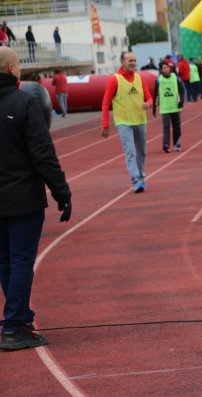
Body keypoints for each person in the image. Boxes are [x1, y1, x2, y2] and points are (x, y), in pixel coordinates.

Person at [0, 47, 72, 350]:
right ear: (13, 68)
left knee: (5, 260)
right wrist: (62, 192)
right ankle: (14, 325)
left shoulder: (23, 102)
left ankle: (21, 316)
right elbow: (43, 155)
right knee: (21, 260)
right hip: (23, 198)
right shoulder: (25, 103)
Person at [101, 51, 153, 193]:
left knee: (142, 151)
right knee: (130, 151)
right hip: (124, 122)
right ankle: (136, 181)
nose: (133, 63)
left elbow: (149, 98)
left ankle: (141, 176)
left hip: (140, 120)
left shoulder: (139, 78)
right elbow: (105, 103)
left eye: (134, 60)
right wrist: (105, 125)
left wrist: (148, 104)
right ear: (123, 62)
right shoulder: (114, 80)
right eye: (130, 60)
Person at [153, 62, 184, 153]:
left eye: (167, 67)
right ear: (161, 70)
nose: (166, 69)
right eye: (164, 68)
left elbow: (182, 90)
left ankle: (177, 144)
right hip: (165, 107)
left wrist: (181, 101)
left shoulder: (175, 77)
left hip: (175, 106)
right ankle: (166, 145)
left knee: (176, 126)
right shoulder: (159, 80)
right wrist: (154, 108)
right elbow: (155, 94)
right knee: (166, 127)